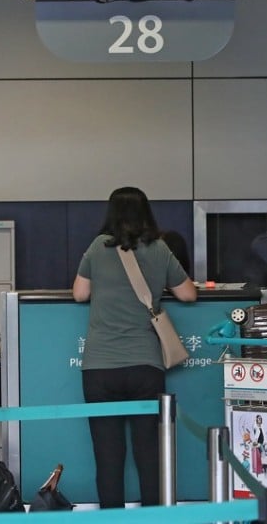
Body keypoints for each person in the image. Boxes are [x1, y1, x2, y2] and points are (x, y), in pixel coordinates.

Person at [72, 186, 196, 508]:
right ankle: (152, 516)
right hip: (145, 365)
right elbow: (188, 294)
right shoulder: (159, 248)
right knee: (149, 453)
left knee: (108, 456)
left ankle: (112, 517)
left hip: (100, 367)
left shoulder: (98, 247)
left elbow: (80, 294)